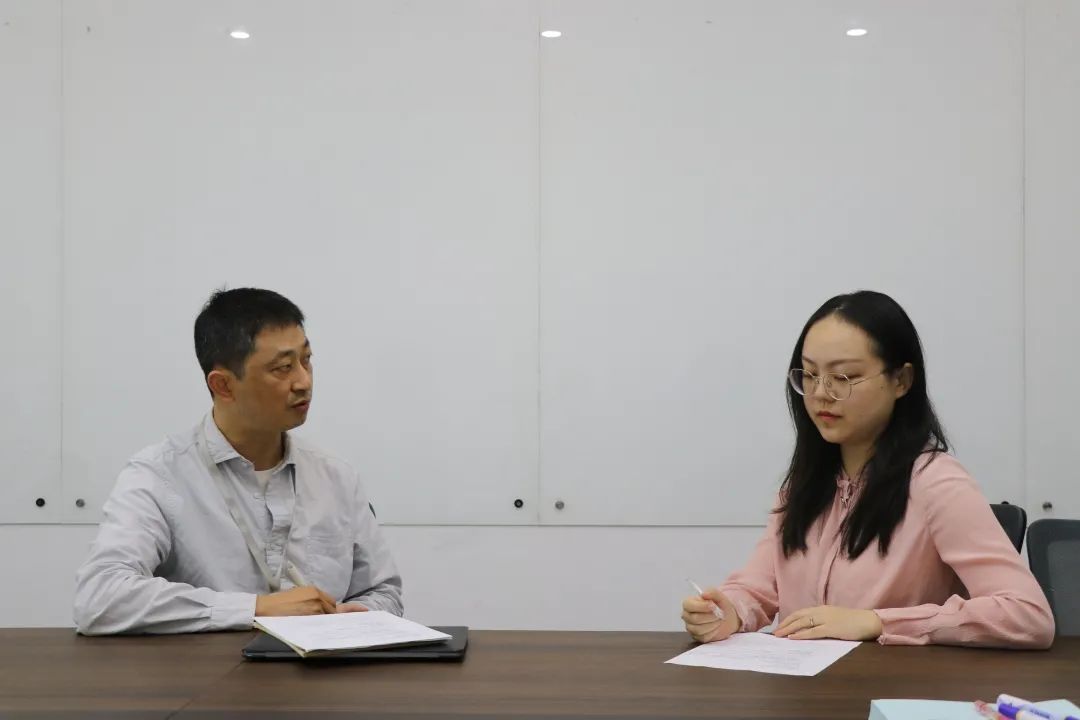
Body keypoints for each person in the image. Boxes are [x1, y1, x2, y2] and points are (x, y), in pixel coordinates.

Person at [681, 291, 1054, 648]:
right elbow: (758, 588)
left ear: (901, 381)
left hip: (891, 687)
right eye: (809, 375)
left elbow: (1027, 615)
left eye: (843, 377)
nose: (821, 392)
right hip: (806, 685)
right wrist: (728, 611)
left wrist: (878, 622)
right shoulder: (803, 485)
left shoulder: (936, 483)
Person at [74, 288, 402, 634]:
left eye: (306, 360)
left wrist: (356, 617)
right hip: (208, 668)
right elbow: (99, 598)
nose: (304, 382)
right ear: (224, 386)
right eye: (283, 368)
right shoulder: (159, 475)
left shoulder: (336, 477)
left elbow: (384, 592)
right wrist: (255, 610)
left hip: (321, 666)